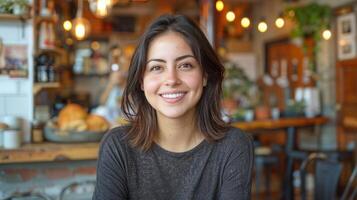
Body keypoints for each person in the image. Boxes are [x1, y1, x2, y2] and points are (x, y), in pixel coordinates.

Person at [93, 14, 254, 200]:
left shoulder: (233, 146)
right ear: (142, 82)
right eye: (156, 68)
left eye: (185, 65)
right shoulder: (118, 146)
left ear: (205, 76)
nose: (171, 80)